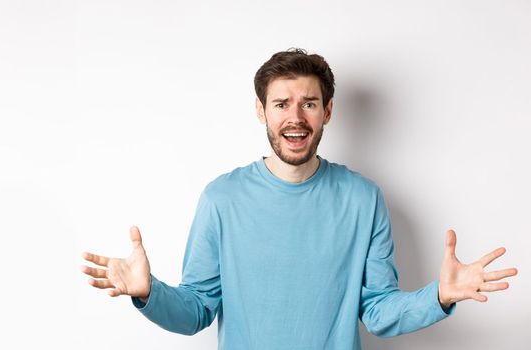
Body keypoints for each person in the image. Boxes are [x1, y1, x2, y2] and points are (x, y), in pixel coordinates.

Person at [79, 48, 519, 349]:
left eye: (309, 103)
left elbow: (379, 311)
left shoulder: (363, 199)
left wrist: (439, 296)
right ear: (260, 111)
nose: (295, 117)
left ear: (328, 111)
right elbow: (195, 310)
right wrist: (148, 293)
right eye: (281, 103)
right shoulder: (222, 199)